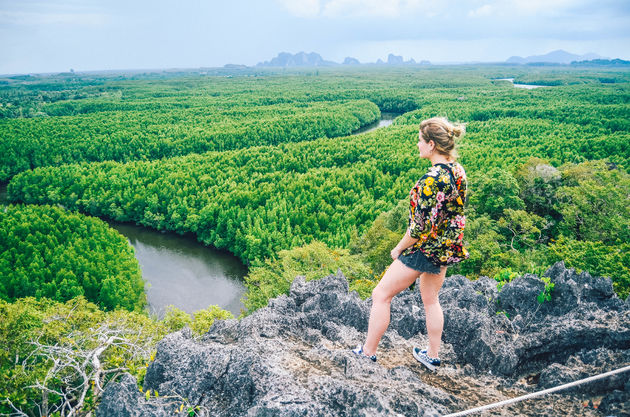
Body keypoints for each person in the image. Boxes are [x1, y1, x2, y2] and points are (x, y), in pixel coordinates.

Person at [353, 116, 468, 371]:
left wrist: (398, 248)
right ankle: (433, 355)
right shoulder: (457, 171)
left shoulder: (431, 180)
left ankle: (368, 352)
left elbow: (418, 228)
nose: (417, 145)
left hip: (424, 249)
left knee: (380, 295)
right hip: (446, 247)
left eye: (419, 141)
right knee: (431, 299)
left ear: (431, 145)